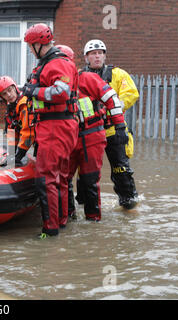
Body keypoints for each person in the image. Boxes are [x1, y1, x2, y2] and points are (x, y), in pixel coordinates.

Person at [56, 45, 125, 221]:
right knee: (62, 179)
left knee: (89, 181)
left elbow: (112, 100)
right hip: (67, 138)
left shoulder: (87, 78)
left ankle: (93, 220)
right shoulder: (52, 85)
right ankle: (68, 216)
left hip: (91, 136)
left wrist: (120, 127)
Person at [22, 24, 79, 238]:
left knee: (45, 178)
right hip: (58, 125)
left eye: (31, 46)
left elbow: (61, 92)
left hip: (56, 126)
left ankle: (50, 228)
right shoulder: (53, 63)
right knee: (60, 178)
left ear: (39, 44)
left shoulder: (57, 63)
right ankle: (61, 222)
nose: (30, 50)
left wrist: (32, 91)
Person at [82, 39, 139, 209]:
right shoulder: (80, 76)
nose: (97, 56)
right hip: (90, 131)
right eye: (93, 53)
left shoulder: (118, 74)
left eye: (100, 53)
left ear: (105, 56)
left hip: (114, 129)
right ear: (86, 58)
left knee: (121, 170)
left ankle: (129, 203)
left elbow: (131, 93)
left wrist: (114, 105)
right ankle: (86, 206)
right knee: (86, 172)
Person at [0, 76, 35, 165]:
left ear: (15, 88)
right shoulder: (11, 108)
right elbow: (12, 132)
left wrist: (18, 156)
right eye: (4, 94)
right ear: (2, 97)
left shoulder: (24, 104)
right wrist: (11, 154)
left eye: (10, 90)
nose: (8, 95)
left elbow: (29, 132)